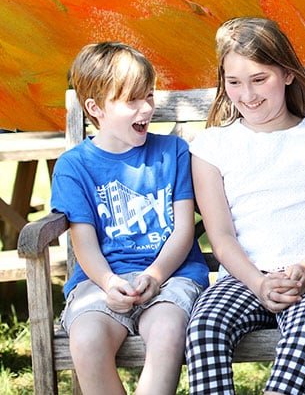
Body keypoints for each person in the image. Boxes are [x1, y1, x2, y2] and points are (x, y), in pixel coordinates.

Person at [184, 17, 305, 395]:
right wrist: (257, 282)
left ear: (288, 74)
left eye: (260, 79)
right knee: (205, 326)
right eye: (234, 82)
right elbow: (221, 236)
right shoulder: (211, 146)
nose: (248, 95)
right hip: (242, 276)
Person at [52, 42, 210, 395]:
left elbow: (184, 229)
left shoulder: (173, 152)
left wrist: (154, 275)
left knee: (168, 332)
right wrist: (109, 283)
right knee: (88, 338)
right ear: (96, 108)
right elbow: (85, 243)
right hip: (100, 283)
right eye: (132, 100)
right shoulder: (74, 167)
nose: (147, 108)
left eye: (150, 96)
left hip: (172, 278)